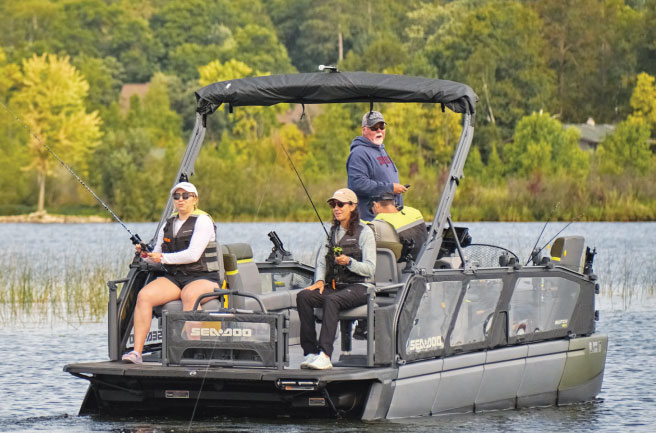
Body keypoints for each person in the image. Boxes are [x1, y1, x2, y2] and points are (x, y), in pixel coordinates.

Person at [121, 182, 220, 364]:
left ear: (194, 199)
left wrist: (162, 258)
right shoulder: (168, 223)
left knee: (189, 294)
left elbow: (192, 255)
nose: (180, 200)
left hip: (204, 277)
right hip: (176, 277)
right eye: (176, 196)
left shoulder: (203, 221)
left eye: (185, 196)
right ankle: (136, 353)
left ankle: (192, 351)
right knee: (144, 296)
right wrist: (145, 255)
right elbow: (156, 255)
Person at [296, 188, 376, 370]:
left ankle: (325, 355)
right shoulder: (331, 232)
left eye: (341, 204)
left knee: (332, 300)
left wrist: (349, 262)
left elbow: (370, 269)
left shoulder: (365, 233)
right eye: (333, 204)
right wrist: (319, 281)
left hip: (360, 287)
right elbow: (321, 262)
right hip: (336, 287)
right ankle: (310, 353)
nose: (336, 208)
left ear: (353, 206)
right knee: (304, 296)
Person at [346, 110, 407, 221]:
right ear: (364, 129)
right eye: (374, 127)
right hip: (371, 223)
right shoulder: (358, 153)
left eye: (382, 126)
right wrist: (391, 188)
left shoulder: (380, 149)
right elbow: (358, 184)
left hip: (390, 220)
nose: (379, 130)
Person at [371, 191, 428, 261]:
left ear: (375, 205)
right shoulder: (414, 212)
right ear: (394, 202)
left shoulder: (378, 225)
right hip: (424, 260)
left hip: (402, 268)